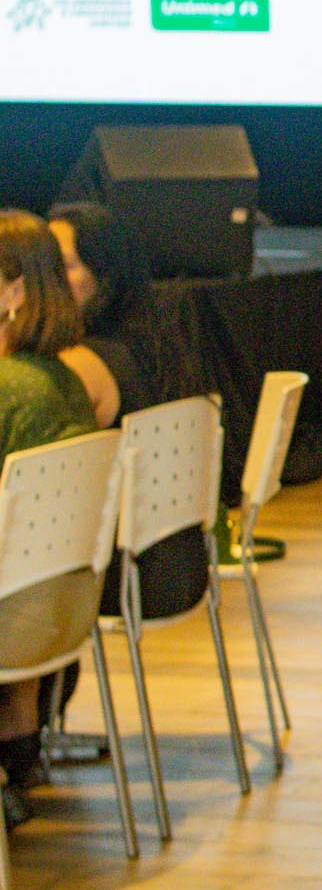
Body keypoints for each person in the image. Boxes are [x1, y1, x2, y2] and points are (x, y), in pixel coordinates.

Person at [47, 201, 208, 620]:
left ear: (106, 276)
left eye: (64, 266)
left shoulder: (81, 364)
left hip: (118, 578)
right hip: (178, 567)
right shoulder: (158, 342)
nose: (47, 281)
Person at [0, 211, 103, 830]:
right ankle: (19, 762)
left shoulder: (9, 386)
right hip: (58, 616)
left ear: (14, 291)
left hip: (13, 618)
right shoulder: (65, 380)